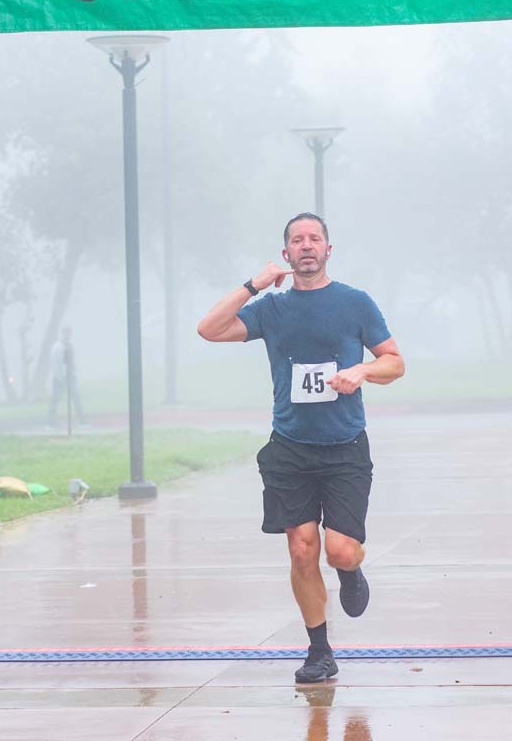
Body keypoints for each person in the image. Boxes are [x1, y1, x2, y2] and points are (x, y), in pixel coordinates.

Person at [197, 212, 405, 683]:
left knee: (341, 551)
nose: (306, 245)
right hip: (290, 448)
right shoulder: (271, 308)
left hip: (345, 446)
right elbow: (208, 329)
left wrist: (363, 372)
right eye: (297, 240)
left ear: (328, 250)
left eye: (315, 238)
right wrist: (253, 284)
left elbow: (395, 361)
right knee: (301, 550)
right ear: (286, 254)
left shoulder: (355, 303)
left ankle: (351, 573)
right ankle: (319, 652)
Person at [47, 326, 84, 427]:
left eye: (69, 333)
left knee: (76, 398)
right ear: (62, 333)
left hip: (70, 377)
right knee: (55, 400)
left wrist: (74, 371)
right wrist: (61, 378)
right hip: (59, 379)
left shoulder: (71, 345)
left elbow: (71, 361)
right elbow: (55, 364)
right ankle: (50, 423)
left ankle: (82, 421)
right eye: (66, 333)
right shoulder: (57, 347)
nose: (68, 335)